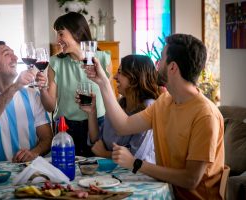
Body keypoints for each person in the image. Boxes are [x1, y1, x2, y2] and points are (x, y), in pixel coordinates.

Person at [85, 34, 225, 199]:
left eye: (161, 59)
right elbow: (123, 125)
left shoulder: (205, 115)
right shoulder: (164, 102)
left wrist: (136, 164)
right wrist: (103, 82)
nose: (156, 65)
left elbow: (190, 180)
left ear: (172, 67)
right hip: (166, 192)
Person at [36, 12, 111, 157]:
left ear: (76, 32)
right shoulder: (55, 62)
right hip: (66, 127)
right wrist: (43, 89)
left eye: (61, 34)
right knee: (67, 173)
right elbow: (50, 106)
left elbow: (111, 98)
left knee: (98, 174)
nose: (57, 39)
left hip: (98, 124)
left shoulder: (102, 58)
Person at [0, 41, 53, 163]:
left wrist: (33, 153)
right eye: (7, 54)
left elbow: (47, 138)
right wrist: (15, 86)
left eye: (14, 53)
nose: (15, 58)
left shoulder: (33, 95)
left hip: (28, 169)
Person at [76, 55, 159, 163]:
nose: (115, 77)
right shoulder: (119, 103)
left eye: (120, 72)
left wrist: (104, 154)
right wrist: (92, 112)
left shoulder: (150, 107)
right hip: (111, 172)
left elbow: (136, 157)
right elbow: (96, 142)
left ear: (134, 77)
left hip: (138, 176)